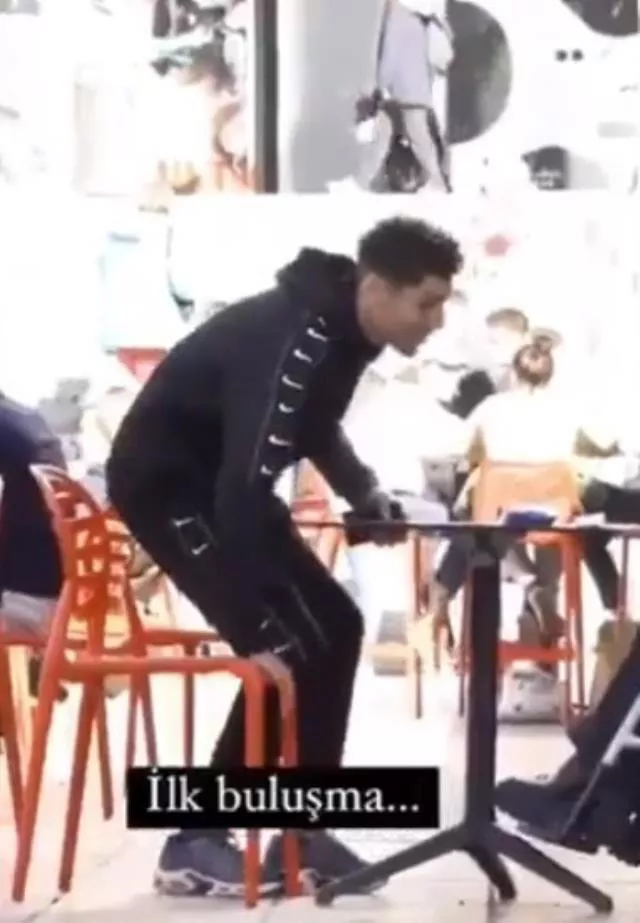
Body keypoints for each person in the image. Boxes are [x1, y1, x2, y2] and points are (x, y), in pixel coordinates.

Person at [106, 217, 463, 898]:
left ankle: (302, 832)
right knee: (285, 648)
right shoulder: (297, 335)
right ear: (377, 289)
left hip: (224, 488)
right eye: (427, 303)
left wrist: (364, 492)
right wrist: (251, 627)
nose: (437, 321)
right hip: (171, 488)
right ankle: (194, 837)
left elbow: (313, 426)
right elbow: (242, 488)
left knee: (340, 626)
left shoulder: (344, 330)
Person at [412, 336, 619, 708]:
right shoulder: (567, 406)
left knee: (477, 524)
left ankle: (456, 600)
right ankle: (543, 602)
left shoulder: (492, 407)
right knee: (557, 530)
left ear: (512, 372)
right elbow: (604, 443)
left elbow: (461, 450)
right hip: (556, 514)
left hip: (498, 514)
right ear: (551, 374)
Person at [357, 0, 453, 192]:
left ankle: (438, 184)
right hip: (413, 88)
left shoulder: (395, 15)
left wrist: (379, 84)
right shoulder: (422, 18)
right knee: (391, 134)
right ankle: (362, 179)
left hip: (402, 89)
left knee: (415, 137)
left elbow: (389, 53)